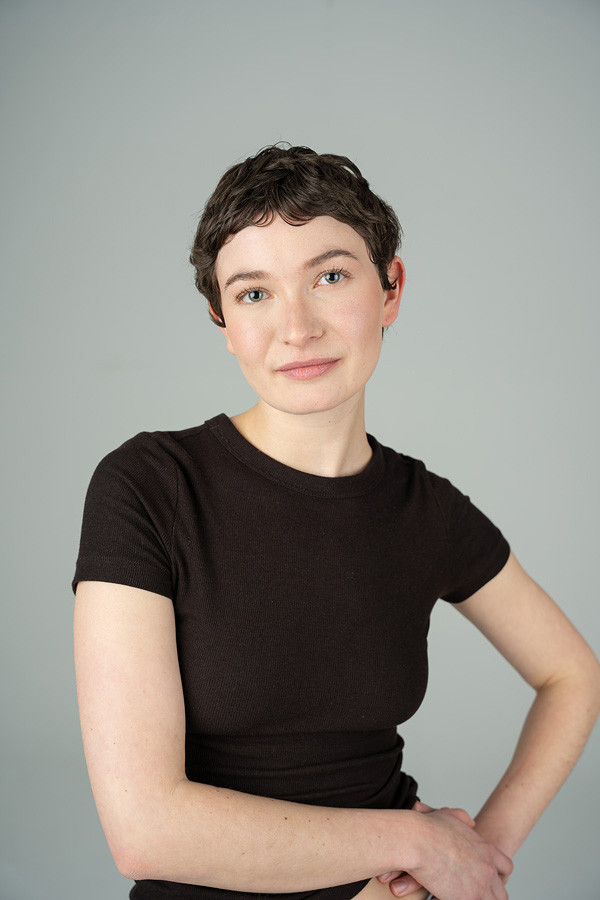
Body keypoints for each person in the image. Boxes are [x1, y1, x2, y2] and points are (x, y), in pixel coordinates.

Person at [72, 143, 600, 900]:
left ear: (390, 290)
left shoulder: (426, 509)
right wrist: (419, 841)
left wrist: (484, 853)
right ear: (222, 320)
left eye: (329, 277)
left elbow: (572, 675)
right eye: (254, 293)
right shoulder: (149, 486)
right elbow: (145, 832)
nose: (297, 327)